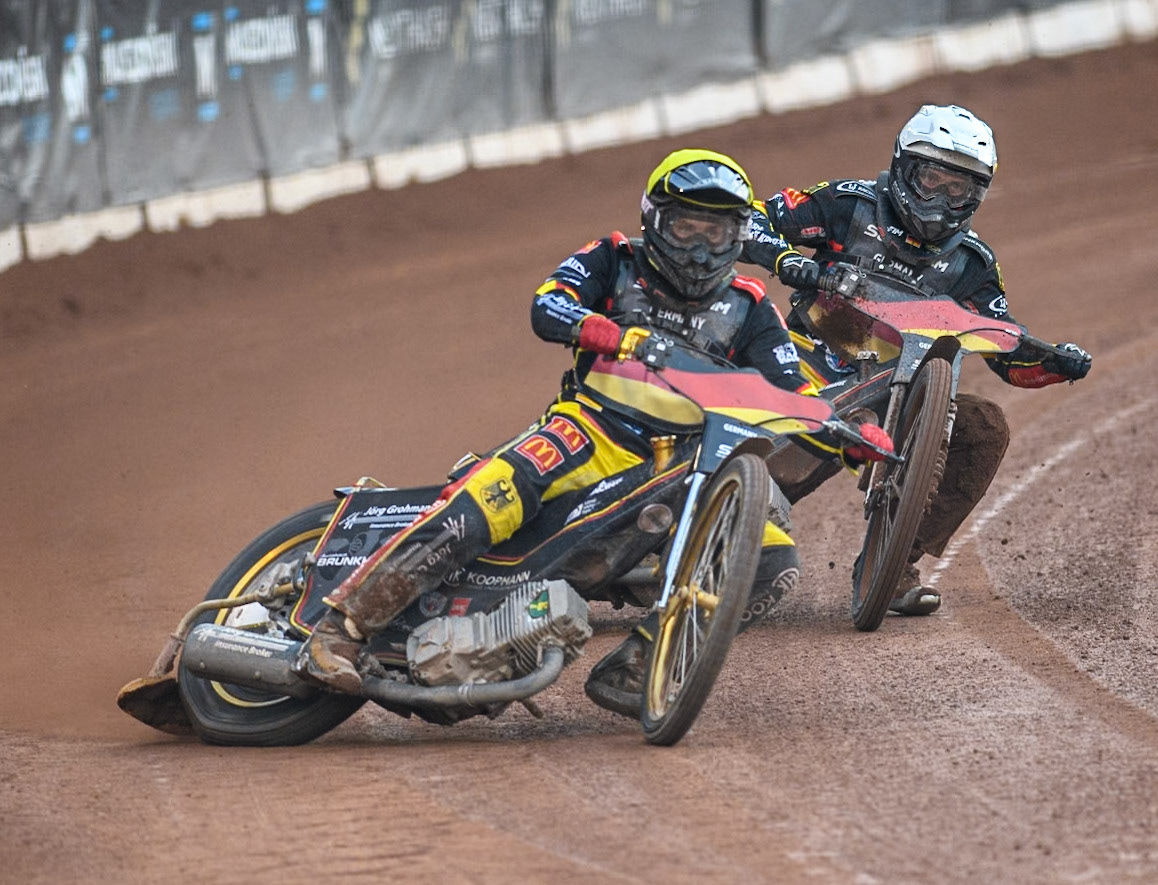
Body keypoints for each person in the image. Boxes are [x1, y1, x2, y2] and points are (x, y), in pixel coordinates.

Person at [299, 149, 893, 717]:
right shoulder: (614, 259)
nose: (700, 247)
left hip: (685, 465)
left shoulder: (750, 305)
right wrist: (604, 332)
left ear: (737, 236)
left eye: (716, 233)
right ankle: (341, 629)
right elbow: (547, 305)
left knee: (774, 561)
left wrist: (848, 434)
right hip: (587, 432)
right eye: (687, 227)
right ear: (655, 220)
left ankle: (640, 666)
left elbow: (793, 395)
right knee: (488, 499)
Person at [744, 104, 1092, 616]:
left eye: (962, 189)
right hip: (803, 363)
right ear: (904, 166)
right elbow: (751, 218)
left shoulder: (973, 264)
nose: (944, 199)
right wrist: (788, 260)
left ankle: (895, 559)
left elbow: (1006, 354)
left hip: (896, 396)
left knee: (983, 426)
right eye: (933, 179)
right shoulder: (846, 204)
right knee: (761, 473)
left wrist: (1054, 364)